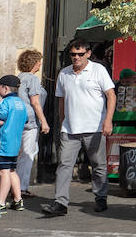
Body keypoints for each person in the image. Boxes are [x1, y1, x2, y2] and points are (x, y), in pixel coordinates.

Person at [44, 40, 115, 217]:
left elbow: (111, 96)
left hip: (95, 126)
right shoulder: (64, 73)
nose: (76, 57)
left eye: (80, 54)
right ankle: (60, 202)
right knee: (64, 165)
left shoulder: (98, 70)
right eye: (73, 54)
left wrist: (108, 121)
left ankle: (100, 196)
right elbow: (61, 100)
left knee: (98, 165)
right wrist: (62, 122)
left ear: (88, 54)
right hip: (70, 128)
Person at [15, 50, 51, 200]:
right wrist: (44, 121)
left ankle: (14, 185)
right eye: (39, 62)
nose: (40, 65)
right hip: (30, 120)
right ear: (35, 63)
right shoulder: (32, 79)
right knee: (28, 154)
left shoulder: (18, 78)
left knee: (19, 154)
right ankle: (21, 188)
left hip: (18, 120)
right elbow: (35, 103)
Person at [0, 76, 28, 211]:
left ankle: (1, 202)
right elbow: (24, 121)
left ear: (5, 88)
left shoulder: (5, 102)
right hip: (15, 143)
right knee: (12, 171)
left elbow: (0, 121)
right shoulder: (21, 103)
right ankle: (18, 199)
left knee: (3, 172)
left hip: (4, 143)